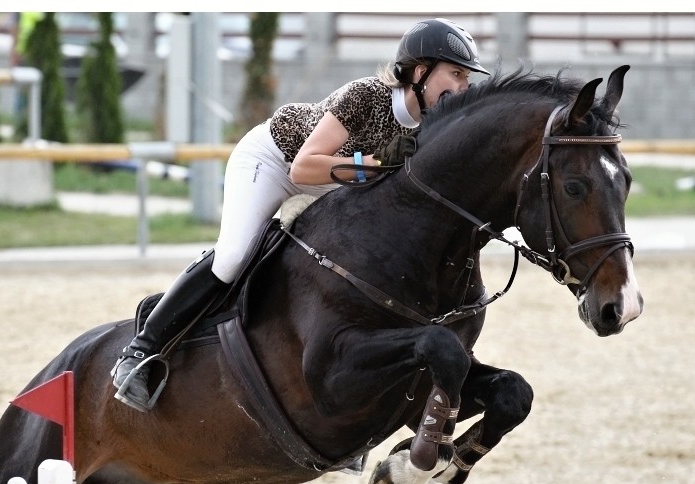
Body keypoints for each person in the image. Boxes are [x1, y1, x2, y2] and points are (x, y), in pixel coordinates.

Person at [112, 17, 491, 412]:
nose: (464, 86)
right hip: (274, 161)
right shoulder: (367, 96)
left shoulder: (431, 125)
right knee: (234, 257)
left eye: (466, 77)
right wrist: (376, 162)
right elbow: (303, 168)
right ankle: (140, 351)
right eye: (457, 74)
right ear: (420, 71)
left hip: (331, 185)